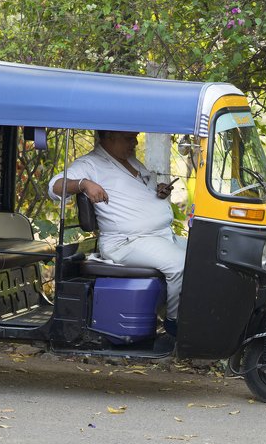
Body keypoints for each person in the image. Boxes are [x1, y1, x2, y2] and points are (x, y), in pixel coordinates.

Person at [47, 130, 184, 337]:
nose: (135, 142)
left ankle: (185, 311)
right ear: (109, 136)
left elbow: (140, 191)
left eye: (135, 137)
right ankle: (174, 323)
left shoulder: (131, 161)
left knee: (204, 255)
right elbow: (55, 187)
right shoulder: (90, 164)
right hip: (127, 242)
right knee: (180, 265)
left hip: (160, 236)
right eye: (129, 138)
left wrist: (159, 190)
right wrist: (84, 184)